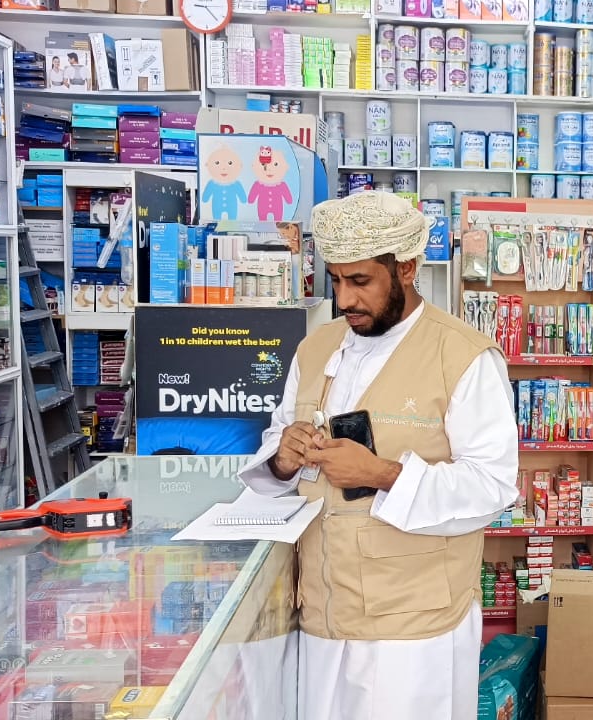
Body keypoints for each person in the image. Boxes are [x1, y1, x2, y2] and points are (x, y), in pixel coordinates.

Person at [237, 191, 519, 720]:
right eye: (336, 280)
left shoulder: (463, 356)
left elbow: (493, 486)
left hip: (411, 633)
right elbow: (275, 446)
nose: (345, 299)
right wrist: (283, 458)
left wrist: (385, 474)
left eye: (360, 281)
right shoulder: (316, 348)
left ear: (406, 269)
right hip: (321, 613)